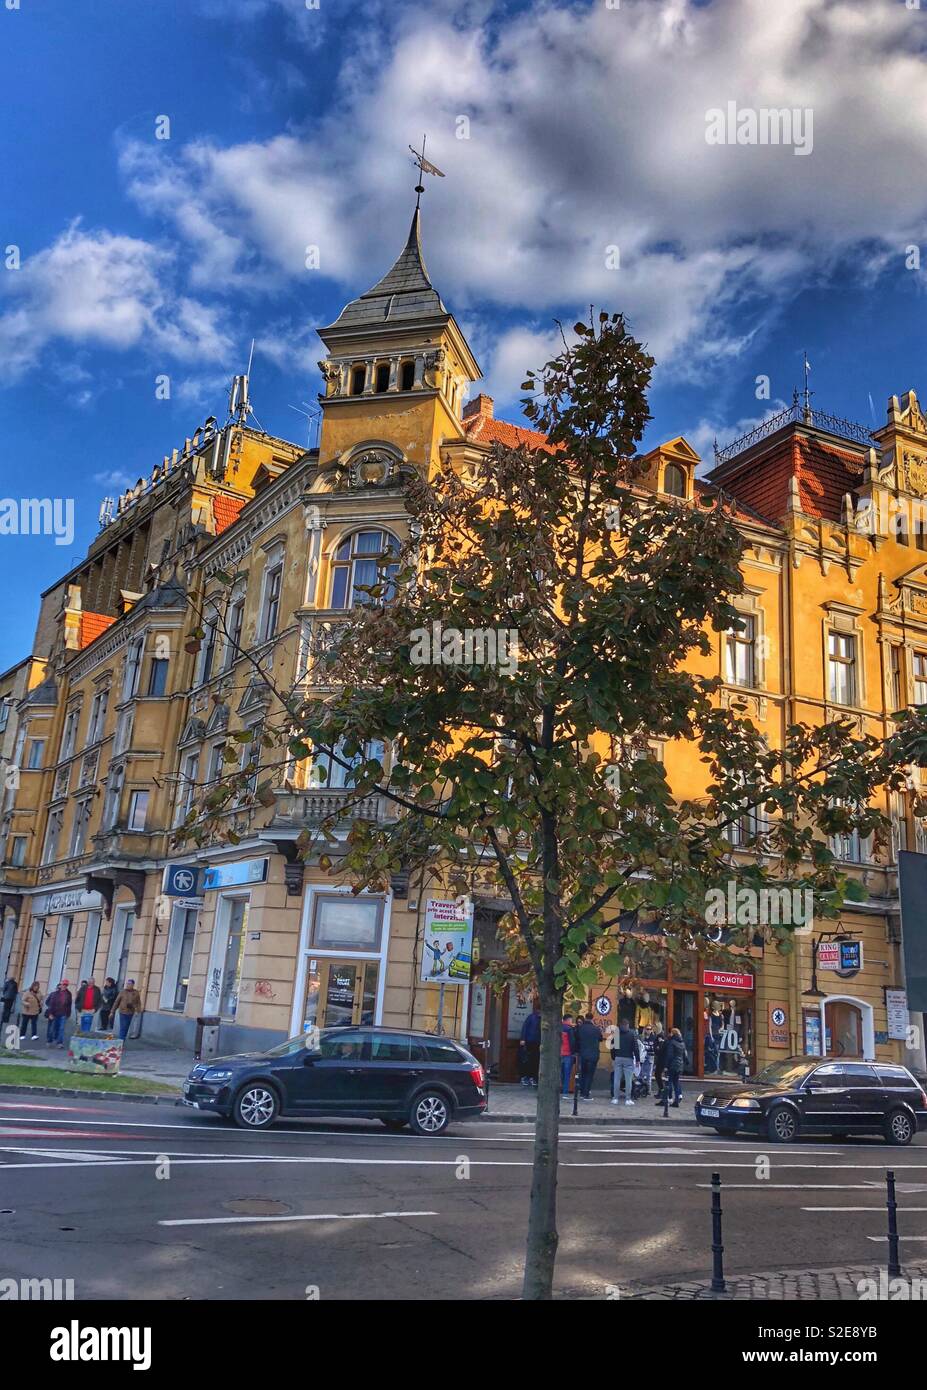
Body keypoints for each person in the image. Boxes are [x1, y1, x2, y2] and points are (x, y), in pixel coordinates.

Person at [610, 1019, 641, 1106]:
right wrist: (638, 1059)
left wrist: (613, 1057)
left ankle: (615, 1098)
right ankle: (628, 1099)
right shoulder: (632, 1034)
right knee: (628, 1080)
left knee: (617, 1079)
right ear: (628, 1025)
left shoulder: (616, 1033)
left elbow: (612, 1047)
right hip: (628, 1058)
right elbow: (635, 1048)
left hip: (618, 1057)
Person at [574, 1014, 602, 1099]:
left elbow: (576, 1039)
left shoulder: (580, 1028)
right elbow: (600, 1038)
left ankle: (582, 1092)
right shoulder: (596, 1029)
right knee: (589, 1074)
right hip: (593, 1055)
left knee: (583, 1073)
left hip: (583, 1054)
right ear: (592, 1019)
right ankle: (586, 1094)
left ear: (585, 1018)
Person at [663, 1026, 688, 1107]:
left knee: (669, 1081)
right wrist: (686, 1062)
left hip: (672, 1065)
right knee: (676, 1082)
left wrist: (666, 1066)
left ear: (673, 1034)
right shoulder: (682, 1043)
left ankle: (669, 1098)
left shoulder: (672, 1042)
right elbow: (685, 1055)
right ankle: (677, 1100)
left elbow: (669, 1055)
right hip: (680, 1065)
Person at [44, 980, 72, 1048]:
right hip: (55, 1013)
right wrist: (50, 1013)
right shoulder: (55, 993)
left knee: (61, 1029)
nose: (64, 986)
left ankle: (59, 1043)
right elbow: (51, 1004)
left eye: (66, 985)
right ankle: (49, 1041)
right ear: (61, 985)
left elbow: (69, 1005)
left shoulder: (68, 994)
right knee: (52, 1028)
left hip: (63, 1013)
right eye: (63, 984)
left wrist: (68, 1013)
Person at [519, 1005, 541, 1088]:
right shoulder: (531, 1017)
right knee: (528, 1060)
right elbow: (525, 1028)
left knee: (535, 1061)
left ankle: (533, 1077)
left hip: (537, 1042)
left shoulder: (540, 1018)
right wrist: (523, 1039)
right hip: (529, 1041)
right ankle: (526, 1077)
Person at [560, 1013, 577, 1097]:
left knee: (560, 1074)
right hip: (567, 1053)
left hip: (559, 1053)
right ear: (569, 1020)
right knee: (567, 1074)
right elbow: (572, 1042)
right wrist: (573, 1052)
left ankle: (559, 1089)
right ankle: (565, 1092)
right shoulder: (570, 1029)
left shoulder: (558, 1028)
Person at [638, 1025, 656, 1096]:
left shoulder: (654, 1038)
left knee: (649, 1074)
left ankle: (648, 1089)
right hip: (642, 1056)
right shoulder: (641, 1037)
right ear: (644, 1030)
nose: (648, 1030)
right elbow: (639, 1046)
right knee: (641, 1073)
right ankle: (640, 1088)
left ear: (651, 1030)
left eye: (650, 1029)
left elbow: (655, 1047)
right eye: (647, 1029)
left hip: (650, 1056)